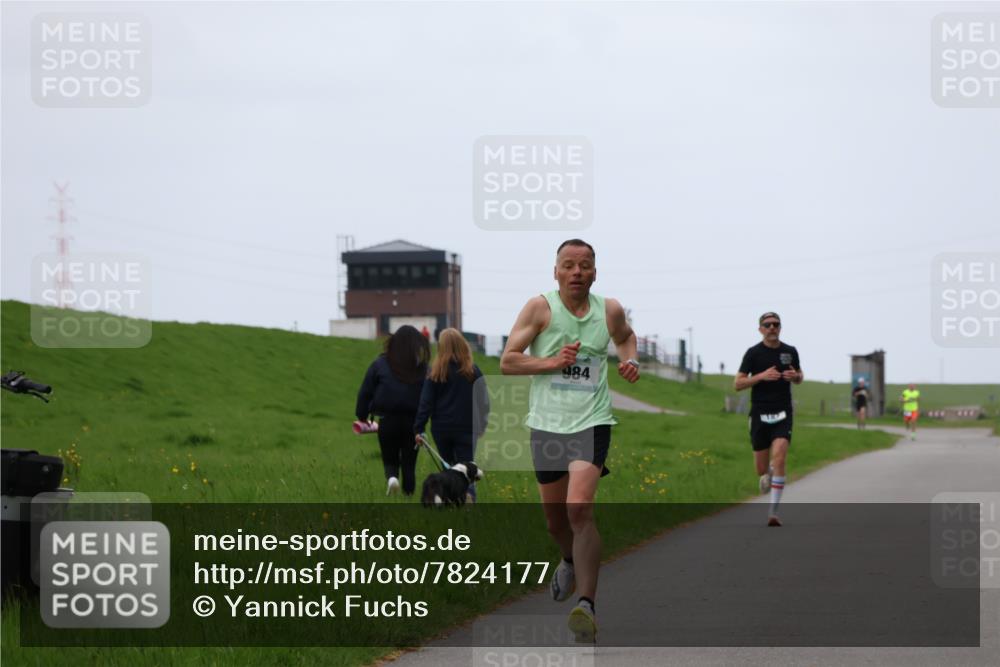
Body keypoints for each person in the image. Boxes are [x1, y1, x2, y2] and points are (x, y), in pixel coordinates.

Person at [500, 239, 639, 643]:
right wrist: (552, 362)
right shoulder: (539, 308)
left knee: (579, 510)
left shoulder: (608, 310)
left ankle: (586, 606)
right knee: (555, 521)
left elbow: (627, 337)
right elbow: (508, 361)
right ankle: (567, 558)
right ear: (556, 271)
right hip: (547, 424)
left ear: (595, 272)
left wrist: (629, 360)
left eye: (585, 265)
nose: (576, 271)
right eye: (568, 265)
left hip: (591, 423)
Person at [733, 312, 803, 527]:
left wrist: (795, 377)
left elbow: (799, 376)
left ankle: (773, 512)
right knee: (761, 470)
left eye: (776, 324)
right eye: (767, 325)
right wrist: (761, 376)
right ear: (760, 329)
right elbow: (737, 384)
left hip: (783, 412)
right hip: (759, 414)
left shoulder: (790, 351)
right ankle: (768, 473)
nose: (772, 327)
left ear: (780, 327)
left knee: (780, 457)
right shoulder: (753, 353)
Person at [413, 328, 490, 501]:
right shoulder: (473, 371)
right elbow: (484, 402)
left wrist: (418, 429)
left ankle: (452, 501)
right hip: (467, 428)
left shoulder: (435, 372)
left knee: (449, 470)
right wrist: (482, 425)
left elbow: (426, 403)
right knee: (468, 468)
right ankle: (469, 496)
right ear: (463, 345)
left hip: (442, 429)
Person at [356, 325, 430, 496]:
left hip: (387, 420)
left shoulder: (380, 364)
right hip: (414, 424)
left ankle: (392, 478)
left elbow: (365, 392)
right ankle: (408, 495)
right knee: (409, 463)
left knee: (390, 457)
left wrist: (362, 416)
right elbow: (430, 396)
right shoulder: (423, 368)